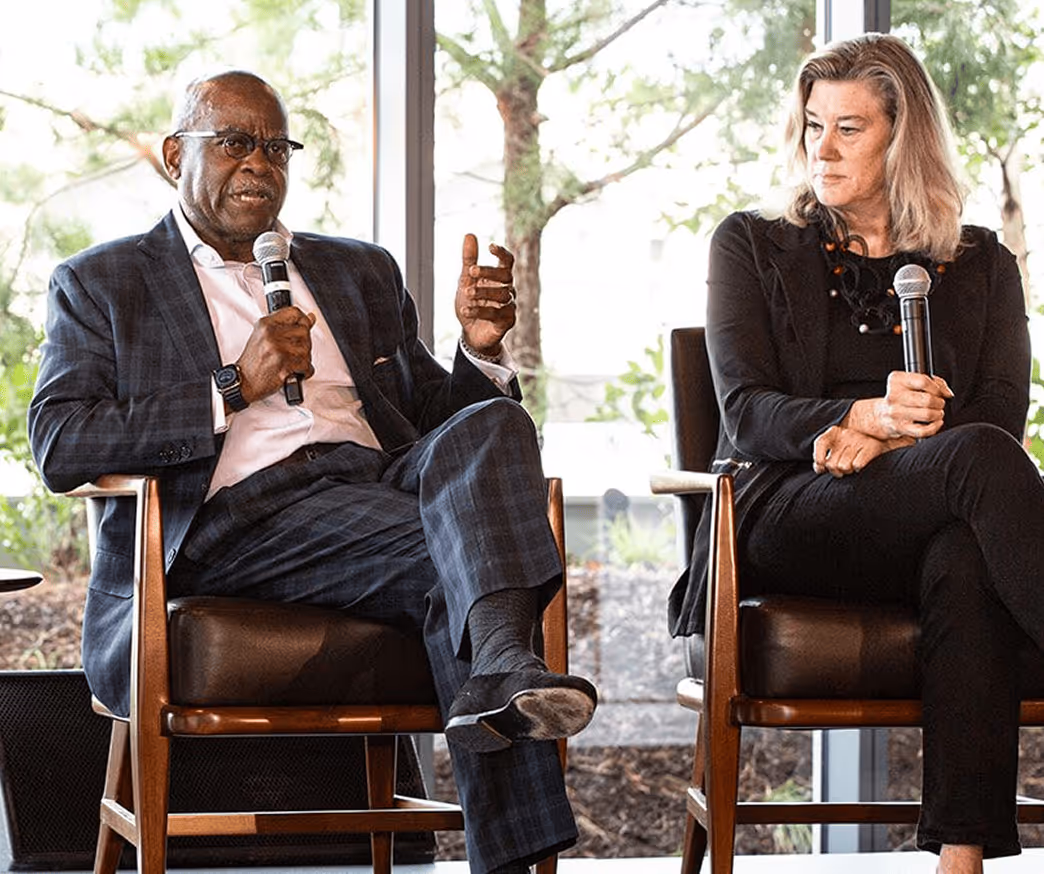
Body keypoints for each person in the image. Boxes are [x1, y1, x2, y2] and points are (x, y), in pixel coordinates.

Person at [28, 70, 597, 874]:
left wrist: (480, 349)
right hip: (235, 518)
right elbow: (59, 443)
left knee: (496, 425)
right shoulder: (103, 281)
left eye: (275, 146)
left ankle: (498, 671)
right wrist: (233, 386)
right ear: (171, 155)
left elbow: (449, 425)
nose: (259, 163)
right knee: (473, 559)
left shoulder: (359, 270)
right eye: (233, 143)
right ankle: (506, 690)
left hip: (376, 490)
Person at [667, 33, 1044, 874]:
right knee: (974, 468)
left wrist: (895, 444)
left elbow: (998, 421)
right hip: (782, 508)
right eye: (812, 126)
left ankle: (961, 857)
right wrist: (861, 416)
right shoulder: (752, 244)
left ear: (902, 136)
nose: (821, 150)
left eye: (849, 129)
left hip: (925, 510)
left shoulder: (980, 263)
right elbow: (748, 413)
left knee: (965, 554)